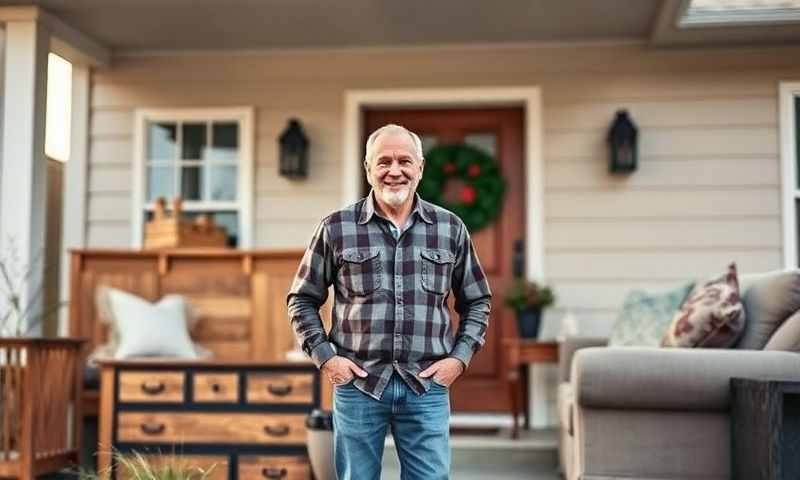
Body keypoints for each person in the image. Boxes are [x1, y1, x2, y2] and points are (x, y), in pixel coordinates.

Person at [287, 124, 492, 480]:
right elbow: (302, 299)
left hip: (426, 385)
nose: (394, 171)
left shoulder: (450, 228)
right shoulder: (336, 227)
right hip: (359, 385)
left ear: (420, 168)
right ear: (368, 169)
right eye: (383, 162)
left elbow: (477, 301)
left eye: (404, 161)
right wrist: (327, 358)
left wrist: (458, 360)